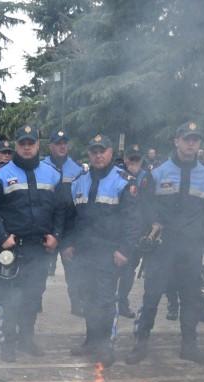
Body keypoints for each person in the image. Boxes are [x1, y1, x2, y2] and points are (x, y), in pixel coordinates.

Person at [127, 121, 204, 365]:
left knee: (191, 298)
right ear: (176, 141)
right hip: (163, 246)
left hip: (191, 248)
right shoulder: (157, 173)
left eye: (195, 140)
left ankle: (190, 346)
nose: (190, 144)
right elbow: (145, 207)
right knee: (151, 296)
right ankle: (141, 343)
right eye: (186, 139)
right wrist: (153, 225)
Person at [0, 124, 65, 361]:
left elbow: (61, 209)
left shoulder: (52, 174)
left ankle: (27, 339)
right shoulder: (1, 175)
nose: (27, 148)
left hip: (40, 248)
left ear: (38, 145)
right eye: (22, 144)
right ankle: (8, 343)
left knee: (33, 296)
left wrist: (56, 235)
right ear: (16, 145)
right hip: (13, 248)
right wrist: (2, 237)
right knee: (9, 298)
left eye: (31, 143)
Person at [66, 134, 140, 367]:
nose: (98, 155)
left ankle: (105, 344)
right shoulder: (79, 180)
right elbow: (71, 217)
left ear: (110, 153)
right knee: (87, 297)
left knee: (105, 300)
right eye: (94, 151)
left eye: (103, 151)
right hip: (84, 252)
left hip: (109, 253)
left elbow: (132, 221)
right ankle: (90, 340)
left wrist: (124, 250)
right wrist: (67, 244)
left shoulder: (123, 181)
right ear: (89, 154)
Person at [44, 129, 84, 317]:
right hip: (46, 227)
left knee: (73, 271)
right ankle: (35, 302)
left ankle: (77, 303)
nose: (62, 146)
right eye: (58, 143)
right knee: (41, 269)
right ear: (50, 146)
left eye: (64, 143)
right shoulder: (41, 166)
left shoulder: (76, 169)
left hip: (68, 228)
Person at [116, 144, 152, 318]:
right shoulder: (117, 176)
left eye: (137, 159)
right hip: (119, 230)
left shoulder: (147, 178)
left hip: (139, 231)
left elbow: (151, 205)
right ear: (125, 160)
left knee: (129, 270)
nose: (134, 163)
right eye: (131, 159)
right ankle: (111, 303)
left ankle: (122, 302)